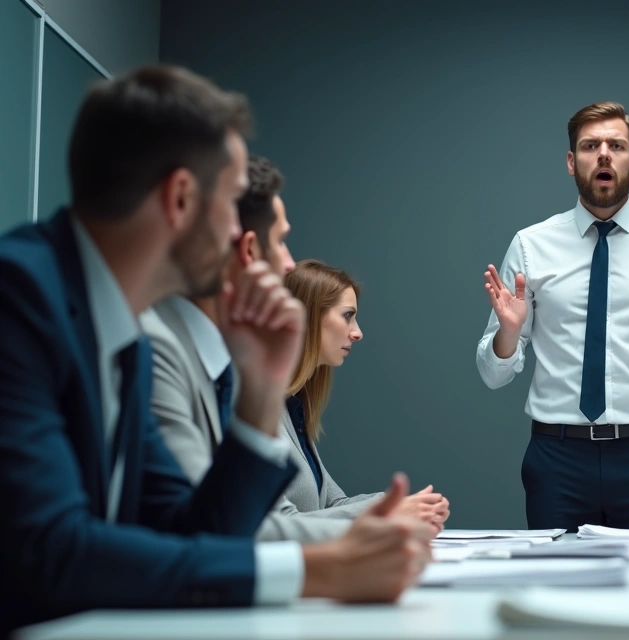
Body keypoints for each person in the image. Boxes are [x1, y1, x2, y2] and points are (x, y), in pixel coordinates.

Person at [0, 65, 430, 633]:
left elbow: (190, 533)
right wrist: (313, 570)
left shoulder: (120, 327)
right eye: (230, 204)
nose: (240, 238)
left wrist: (258, 398)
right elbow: (52, 550)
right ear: (180, 198)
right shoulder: (20, 296)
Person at [144, 155, 440, 542]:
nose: (288, 264)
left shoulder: (237, 370)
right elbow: (224, 529)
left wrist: (393, 506)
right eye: (281, 241)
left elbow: (235, 521)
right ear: (249, 251)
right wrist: (370, 531)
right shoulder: (160, 349)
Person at [476, 101, 629, 530]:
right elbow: (492, 374)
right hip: (557, 458)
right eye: (591, 146)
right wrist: (508, 333)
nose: (605, 154)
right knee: (554, 592)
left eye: (617, 145)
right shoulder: (530, 245)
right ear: (572, 162)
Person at [278, 260, 450, 532]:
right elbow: (282, 525)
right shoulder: (259, 410)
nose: (358, 332)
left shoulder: (292, 409)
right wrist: (391, 508)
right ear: (309, 317)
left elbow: (334, 505)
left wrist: (396, 505)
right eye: (347, 316)